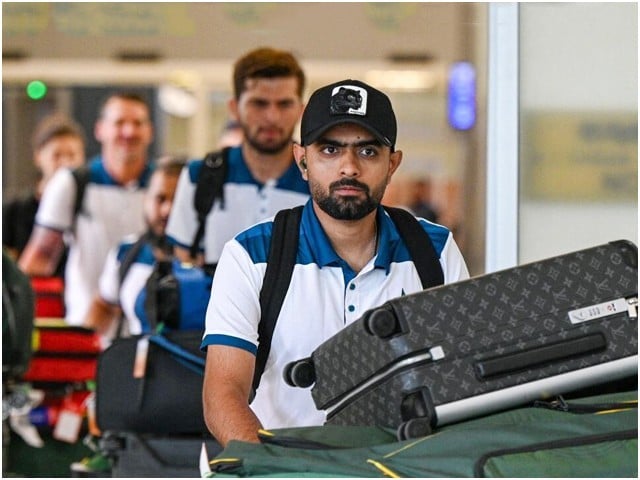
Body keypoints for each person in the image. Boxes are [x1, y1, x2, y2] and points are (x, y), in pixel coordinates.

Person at [201, 79, 470, 446]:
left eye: (368, 152)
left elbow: (460, 378)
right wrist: (274, 470)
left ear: (393, 164)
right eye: (329, 150)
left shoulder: (433, 251)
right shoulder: (251, 256)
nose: (349, 167)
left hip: (398, 466)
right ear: (302, 161)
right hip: (283, 466)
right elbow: (223, 394)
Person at [166, 47, 310, 268]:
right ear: (234, 108)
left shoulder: (320, 181)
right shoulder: (200, 176)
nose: (272, 117)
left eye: (284, 104)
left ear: (301, 110)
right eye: (259, 103)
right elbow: (185, 264)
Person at [19, 92, 154, 326]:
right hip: (85, 330)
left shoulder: (160, 188)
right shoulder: (71, 183)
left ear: (149, 132)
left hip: (146, 332)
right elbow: (38, 259)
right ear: (100, 129)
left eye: (137, 123)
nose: (129, 132)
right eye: (120, 123)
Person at [82, 155, 185, 339]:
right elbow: (103, 305)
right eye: (160, 199)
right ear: (146, 199)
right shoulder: (126, 253)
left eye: (178, 201)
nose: (167, 210)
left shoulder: (212, 263)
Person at [3, 114, 86, 276]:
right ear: (38, 157)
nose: (65, 163)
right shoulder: (13, 211)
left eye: (72, 155)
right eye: (57, 155)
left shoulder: (87, 210)